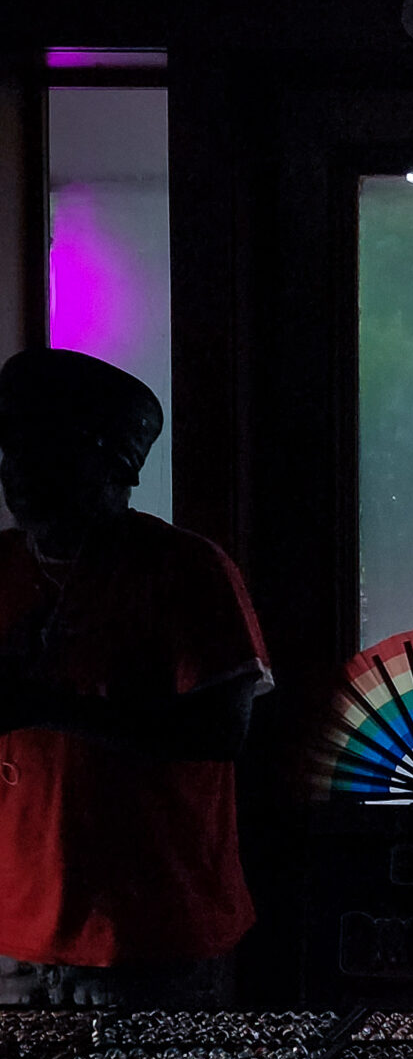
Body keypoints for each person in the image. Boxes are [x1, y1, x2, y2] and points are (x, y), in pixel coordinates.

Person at [0, 347, 271, 1008]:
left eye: (51, 453)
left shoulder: (184, 569)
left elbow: (219, 730)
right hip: (18, 933)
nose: (22, 473)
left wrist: (44, 706)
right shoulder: (2, 566)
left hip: (154, 939)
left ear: (112, 467)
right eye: (14, 453)